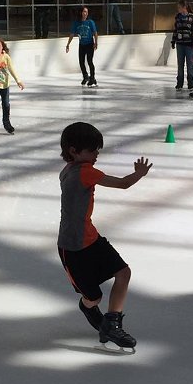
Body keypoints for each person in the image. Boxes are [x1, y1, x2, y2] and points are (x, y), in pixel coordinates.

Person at [57, 122, 152, 349]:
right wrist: (139, 173)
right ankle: (87, 307)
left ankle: (112, 323)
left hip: (91, 238)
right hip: (72, 248)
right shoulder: (84, 171)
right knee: (94, 298)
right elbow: (123, 184)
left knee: (123, 272)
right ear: (73, 151)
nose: (96, 154)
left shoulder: (68, 170)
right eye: (92, 150)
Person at [171, 0, 193, 91]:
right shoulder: (178, 17)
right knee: (180, 65)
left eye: (179, 7)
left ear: (184, 7)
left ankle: (190, 83)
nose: (178, 9)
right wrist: (173, 40)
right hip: (180, 44)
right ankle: (179, 83)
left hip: (189, 45)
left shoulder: (192, 17)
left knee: (190, 65)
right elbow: (175, 30)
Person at [66, 6, 98, 86]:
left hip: (90, 44)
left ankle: (92, 78)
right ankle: (85, 76)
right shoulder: (76, 23)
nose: (85, 13)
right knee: (81, 62)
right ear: (81, 12)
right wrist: (68, 44)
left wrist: (96, 43)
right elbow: (72, 34)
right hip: (82, 45)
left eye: (86, 12)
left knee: (90, 61)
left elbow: (95, 33)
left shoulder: (90, 22)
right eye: (84, 11)